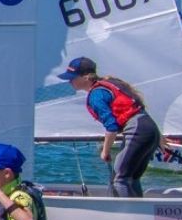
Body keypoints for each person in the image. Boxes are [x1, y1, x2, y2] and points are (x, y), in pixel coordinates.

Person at [59, 56, 160, 197]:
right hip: (148, 128)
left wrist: (105, 151)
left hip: (137, 130)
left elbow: (111, 127)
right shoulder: (109, 83)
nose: (70, 81)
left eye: (73, 77)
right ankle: (139, 211)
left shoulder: (96, 94)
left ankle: (127, 215)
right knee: (131, 176)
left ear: (86, 77)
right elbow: (138, 109)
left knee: (120, 179)